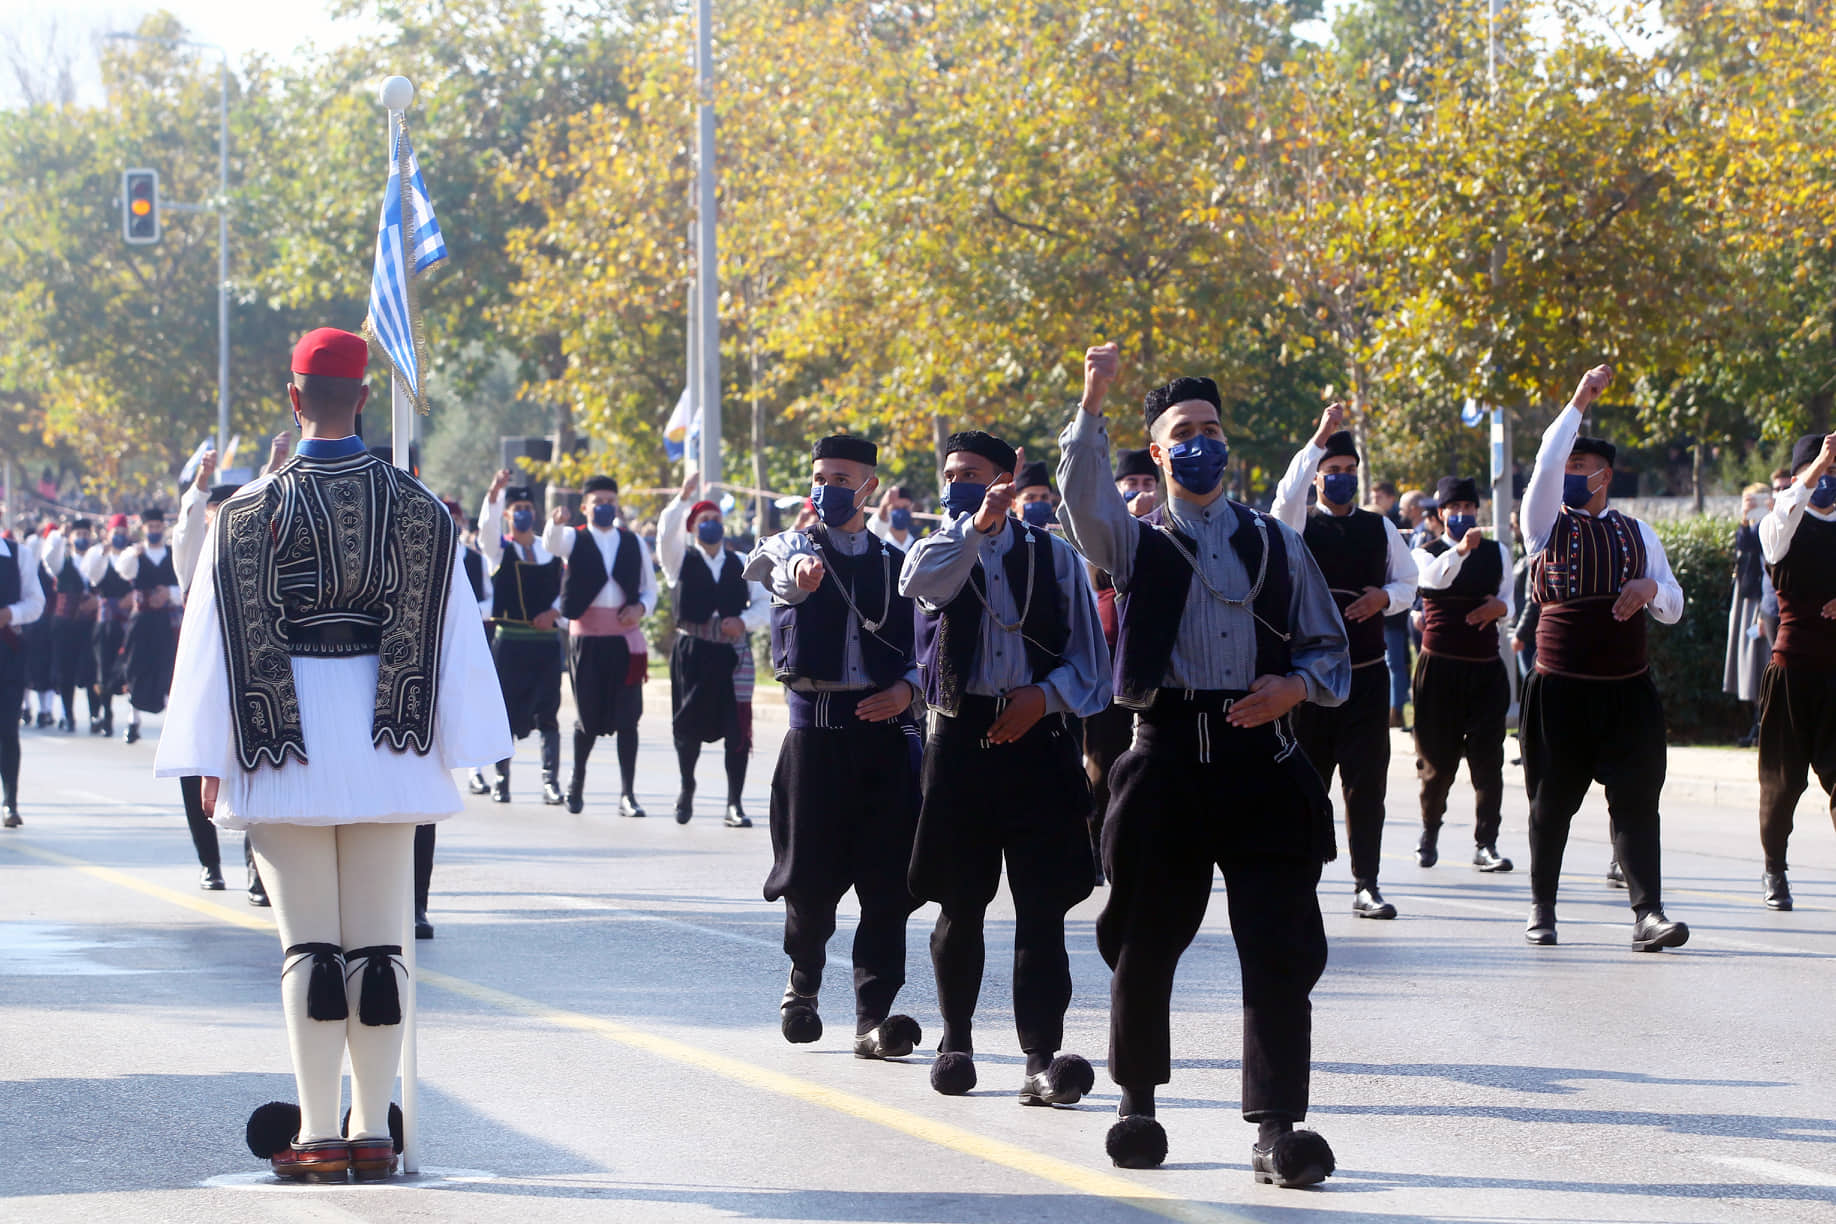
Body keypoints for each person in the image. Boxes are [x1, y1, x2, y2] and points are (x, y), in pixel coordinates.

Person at [154, 327, 509, 1181]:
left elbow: (211, 643)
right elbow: (455, 638)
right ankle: (375, 1132)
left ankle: (318, 1130)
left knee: (308, 949)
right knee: (381, 948)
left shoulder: (243, 513)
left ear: (292, 397)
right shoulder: (422, 508)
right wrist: (453, 747)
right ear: (363, 395)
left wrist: (210, 755)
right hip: (390, 745)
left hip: (283, 745)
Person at [1059, 343, 1348, 1185]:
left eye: (1210, 428)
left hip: (1263, 762)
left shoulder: (1275, 544)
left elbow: (1330, 648)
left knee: (1276, 948)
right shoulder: (1134, 542)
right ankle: (1138, 1105)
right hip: (1167, 760)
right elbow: (1080, 502)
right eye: (1182, 432)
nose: (1200, 442)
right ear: (1157, 453)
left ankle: (1278, 1128)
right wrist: (1093, 395)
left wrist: (1292, 687)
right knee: (1145, 943)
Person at [900, 432, 1109, 1104]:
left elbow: (1093, 668)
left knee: (1042, 912)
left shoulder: (1055, 558)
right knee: (961, 906)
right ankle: (955, 1040)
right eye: (952, 474)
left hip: (1039, 746)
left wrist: (1043, 698)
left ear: (1008, 478)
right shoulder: (937, 550)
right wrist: (974, 528)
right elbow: (920, 585)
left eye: (975, 474)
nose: (961, 483)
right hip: (960, 747)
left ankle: (1040, 1060)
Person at [743, 435, 927, 1063]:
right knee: (811, 879)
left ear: (869, 488)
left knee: (887, 883)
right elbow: (778, 569)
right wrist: (800, 571)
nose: (829, 489)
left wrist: (909, 689)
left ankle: (873, 1017)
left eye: (843, 478)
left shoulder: (898, 565)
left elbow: (926, 650)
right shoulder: (790, 546)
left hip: (881, 739)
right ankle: (803, 986)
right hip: (815, 740)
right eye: (820, 476)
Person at [1519, 364, 1687, 950]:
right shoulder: (1541, 526)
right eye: (1565, 466)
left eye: (1579, 469)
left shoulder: (1639, 533)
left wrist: (1650, 591)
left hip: (1627, 690)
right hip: (1561, 691)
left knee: (1639, 800)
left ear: (1604, 476)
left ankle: (1648, 915)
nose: (1567, 476)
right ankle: (1543, 909)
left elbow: (1673, 603)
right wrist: (1579, 401)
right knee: (1550, 804)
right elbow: (1543, 464)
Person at [1271, 403, 1418, 919]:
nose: (1342, 480)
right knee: (1305, 782)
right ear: (1317, 478)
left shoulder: (1381, 529)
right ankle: (1299, 877)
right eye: (1332, 472)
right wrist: (1318, 438)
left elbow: (1409, 583)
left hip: (1367, 678)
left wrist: (1385, 598)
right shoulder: (1295, 525)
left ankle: (1366, 883)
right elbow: (1285, 497)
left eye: (1350, 472)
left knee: (1366, 785)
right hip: (1309, 681)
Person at [1410, 476, 1515, 873]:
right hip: (1439, 671)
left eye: (1469, 509)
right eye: (1454, 510)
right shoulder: (1426, 552)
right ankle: (1429, 831)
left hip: (1486, 670)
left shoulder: (1497, 552)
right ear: (1441, 515)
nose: (1462, 515)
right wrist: (1459, 550)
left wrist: (1499, 611)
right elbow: (1431, 580)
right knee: (1436, 764)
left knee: (1489, 761)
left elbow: (1510, 601)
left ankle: (1486, 842)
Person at [1753, 433, 1836, 911]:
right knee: (1782, 782)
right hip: (1791, 669)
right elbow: (1786, 510)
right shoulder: (1779, 525)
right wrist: (1817, 465)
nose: (1829, 480)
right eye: (1824, 472)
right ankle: (1774, 868)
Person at [657, 477, 770, 827]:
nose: (711, 525)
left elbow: (764, 603)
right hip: (693, 651)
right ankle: (687, 785)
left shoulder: (740, 560)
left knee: (737, 728)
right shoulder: (679, 561)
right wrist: (682, 499)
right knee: (688, 725)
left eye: (716, 520)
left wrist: (744, 621)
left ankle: (733, 803)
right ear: (692, 528)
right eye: (703, 520)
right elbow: (665, 535)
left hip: (732, 654)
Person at [542, 478, 658, 816]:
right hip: (587, 641)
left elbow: (649, 590)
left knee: (628, 717)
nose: (605, 506)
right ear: (585, 507)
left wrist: (640, 608)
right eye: (598, 501)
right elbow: (551, 543)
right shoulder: (572, 538)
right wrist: (555, 522)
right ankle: (576, 784)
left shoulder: (633, 541)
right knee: (588, 718)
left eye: (610, 500)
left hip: (625, 642)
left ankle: (627, 794)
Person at [1082, 447, 1159, 883]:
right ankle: (1092, 842)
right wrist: (1131, 520)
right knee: (1103, 759)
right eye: (1133, 484)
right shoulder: (1102, 530)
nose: (1142, 491)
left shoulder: (1168, 527)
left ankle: (1137, 847)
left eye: (1149, 484)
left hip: (1154, 662)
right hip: (1109, 664)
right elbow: (1099, 573)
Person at [477, 471, 566, 806]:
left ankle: (550, 782)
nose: (524, 513)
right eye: (518, 508)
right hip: (511, 644)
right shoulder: (499, 550)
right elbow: (487, 532)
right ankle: (501, 779)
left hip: (545, 644)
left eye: (529, 506)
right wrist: (495, 492)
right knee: (506, 712)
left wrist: (554, 613)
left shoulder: (550, 549)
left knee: (549, 711)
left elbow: (566, 588)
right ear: (507, 514)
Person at [112, 506, 181, 745]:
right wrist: (133, 553)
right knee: (136, 667)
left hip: (164, 621)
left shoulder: (173, 554)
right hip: (140, 621)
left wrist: (168, 593)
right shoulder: (136, 554)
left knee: (167, 666)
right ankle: (134, 720)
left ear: (163, 528)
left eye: (158, 527)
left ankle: (170, 724)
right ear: (143, 529)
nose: (154, 531)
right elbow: (123, 571)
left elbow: (184, 586)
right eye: (150, 527)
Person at [0, 527, 46, 826]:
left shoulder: (18, 555)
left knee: (6, 730)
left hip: (7, 655)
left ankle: (10, 801)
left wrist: (11, 613)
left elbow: (36, 602)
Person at [41, 519, 98, 739]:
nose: (82, 537)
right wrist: (58, 535)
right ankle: (68, 714)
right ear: (72, 538)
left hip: (90, 624)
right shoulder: (61, 562)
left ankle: (95, 715)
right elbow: (48, 557)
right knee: (66, 671)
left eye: (86, 533)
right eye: (78, 533)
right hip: (65, 625)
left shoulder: (96, 560)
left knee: (92, 670)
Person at [1726, 483, 1773, 747]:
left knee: (1764, 663)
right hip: (1748, 596)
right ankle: (1757, 725)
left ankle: (1765, 725)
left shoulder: (1773, 523)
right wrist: (1744, 516)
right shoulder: (1754, 526)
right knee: (1750, 668)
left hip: (1763, 600)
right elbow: (1743, 543)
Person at [80, 516, 134, 738]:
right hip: (105, 622)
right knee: (103, 668)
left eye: (123, 531)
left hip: (128, 621)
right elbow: (91, 575)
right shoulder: (100, 556)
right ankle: (106, 714)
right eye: (116, 531)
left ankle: (132, 718)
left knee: (129, 668)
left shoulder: (132, 556)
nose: (119, 535)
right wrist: (102, 552)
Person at [868, 484, 920, 550]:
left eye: (905, 507)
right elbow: (880, 520)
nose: (901, 513)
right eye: (895, 508)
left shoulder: (915, 544)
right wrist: (883, 506)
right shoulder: (879, 537)